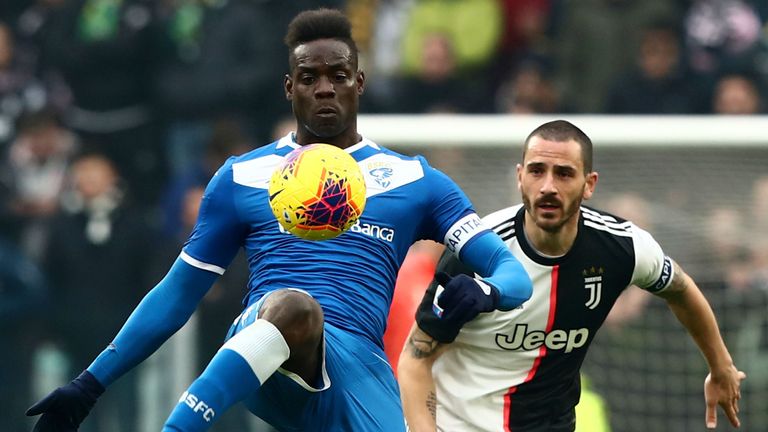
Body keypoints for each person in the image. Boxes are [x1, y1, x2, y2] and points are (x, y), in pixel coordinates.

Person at [26, 8, 533, 432]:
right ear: (289, 88)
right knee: (294, 307)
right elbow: (177, 293)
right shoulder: (244, 177)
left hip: (357, 369)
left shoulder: (415, 181)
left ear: (359, 82)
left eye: (338, 75)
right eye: (310, 78)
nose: (325, 88)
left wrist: (486, 292)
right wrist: (90, 383)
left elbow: (510, 274)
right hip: (267, 341)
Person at [398, 120, 746, 432]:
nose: (548, 186)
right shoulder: (475, 249)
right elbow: (416, 358)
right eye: (537, 171)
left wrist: (721, 366)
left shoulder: (623, 248)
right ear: (520, 176)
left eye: (563, 173)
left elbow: (680, 289)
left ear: (589, 183)